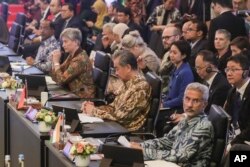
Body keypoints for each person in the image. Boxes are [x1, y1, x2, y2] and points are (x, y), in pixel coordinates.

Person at [131, 82, 214, 166]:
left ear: (205, 104)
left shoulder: (204, 126)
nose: (189, 105)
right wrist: (142, 145)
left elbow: (181, 156)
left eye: (195, 101)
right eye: (187, 99)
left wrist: (144, 151)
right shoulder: (187, 119)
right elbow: (167, 141)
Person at [81, 50, 152, 131]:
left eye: (117, 69)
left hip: (125, 133)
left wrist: (94, 111)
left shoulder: (140, 88)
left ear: (128, 68)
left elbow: (120, 118)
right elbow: (113, 108)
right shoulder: (128, 82)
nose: (116, 73)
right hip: (115, 126)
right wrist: (92, 108)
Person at [51, 28, 95, 98]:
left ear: (75, 42)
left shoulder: (80, 59)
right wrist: (54, 62)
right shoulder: (72, 55)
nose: (63, 45)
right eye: (63, 42)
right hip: (71, 93)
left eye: (66, 42)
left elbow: (61, 80)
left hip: (82, 98)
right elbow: (55, 77)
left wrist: (56, 62)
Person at [224, 54, 250, 146]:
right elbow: (226, 118)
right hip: (235, 137)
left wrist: (232, 144)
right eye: (227, 69)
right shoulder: (232, 92)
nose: (229, 73)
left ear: (245, 72)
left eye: (234, 69)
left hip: (245, 141)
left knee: (235, 153)